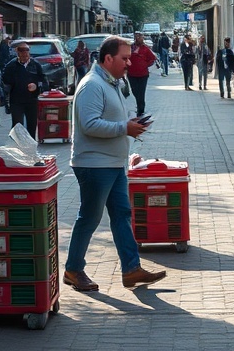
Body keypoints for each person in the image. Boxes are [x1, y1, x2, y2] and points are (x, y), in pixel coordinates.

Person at [62, 36, 167, 293]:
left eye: (130, 57)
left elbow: (110, 116)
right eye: (124, 58)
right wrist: (125, 128)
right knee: (90, 218)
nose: (129, 63)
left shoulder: (111, 82)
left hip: (113, 162)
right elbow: (89, 124)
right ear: (108, 59)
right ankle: (73, 270)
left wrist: (132, 122)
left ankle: (131, 269)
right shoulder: (92, 85)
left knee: (121, 215)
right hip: (95, 165)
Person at [2, 41, 48, 139]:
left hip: (32, 100)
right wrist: (6, 101)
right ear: (18, 53)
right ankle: (18, 149)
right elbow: (5, 82)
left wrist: (36, 86)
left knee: (32, 126)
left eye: (26, 55)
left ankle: (31, 148)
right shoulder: (11, 66)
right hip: (16, 101)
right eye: (22, 55)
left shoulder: (35, 65)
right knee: (17, 126)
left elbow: (44, 82)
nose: (25, 57)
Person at [125, 32, 157, 115]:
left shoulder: (145, 49)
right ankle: (139, 104)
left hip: (143, 74)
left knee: (141, 92)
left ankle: (141, 109)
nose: (138, 38)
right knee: (134, 91)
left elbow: (153, 58)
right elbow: (125, 57)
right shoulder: (130, 47)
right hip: (131, 74)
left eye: (140, 37)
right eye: (136, 37)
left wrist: (145, 64)